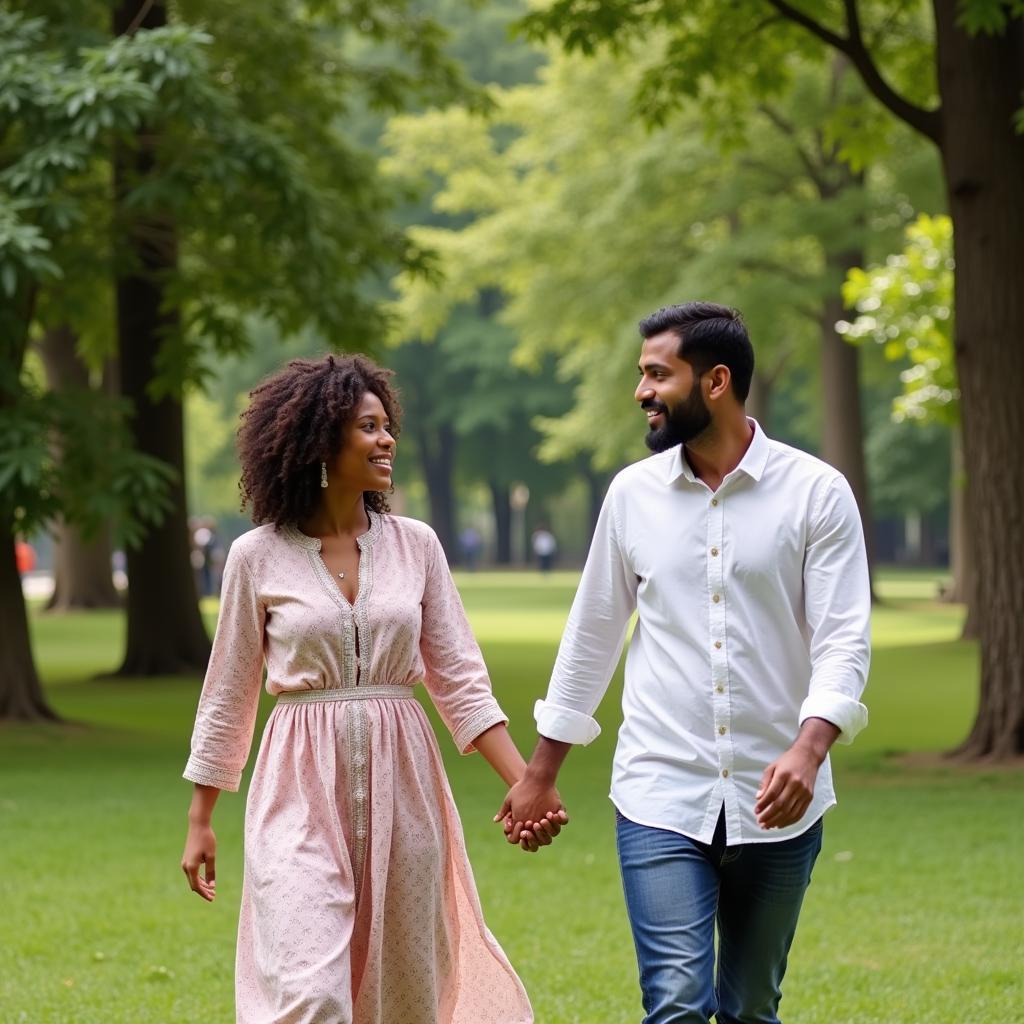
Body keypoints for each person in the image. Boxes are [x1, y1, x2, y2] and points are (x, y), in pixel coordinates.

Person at [499, 303, 871, 1024]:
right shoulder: (632, 497)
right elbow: (592, 635)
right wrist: (539, 773)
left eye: (657, 374)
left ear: (716, 381)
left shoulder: (816, 493)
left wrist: (809, 747)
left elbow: (844, 638)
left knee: (750, 1008)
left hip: (779, 799)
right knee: (675, 1003)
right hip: (660, 789)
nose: (641, 390)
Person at [180, 354, 564, 1024]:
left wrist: (524, 784)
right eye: (368, 426)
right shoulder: (256, 557)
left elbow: (461, 680)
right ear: (321, 440)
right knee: (310, 992)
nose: (387, 440)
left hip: (404, 784)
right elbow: (227, 692)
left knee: (404, 990)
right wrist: (200, 819)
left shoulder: (417, 546)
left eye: (387, 426)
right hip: (296, 787)